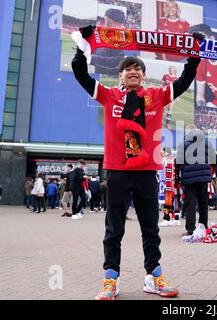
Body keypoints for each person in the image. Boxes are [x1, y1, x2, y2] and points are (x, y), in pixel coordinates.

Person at [72, 25, 204, 300]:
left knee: (150, 228)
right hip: (118, 171)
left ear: (144, 75)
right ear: (120, 75)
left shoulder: (156, 96)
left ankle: (153, 276)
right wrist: (82, 45)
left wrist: (194, 53)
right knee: (114, 228)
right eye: (127, 69)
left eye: (138, 69)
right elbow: (81, 74)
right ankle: (111, 278)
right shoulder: (109, 96)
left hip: (147, 171)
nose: (133, 72)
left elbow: (185, 80)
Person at [176, 124, 217, 236]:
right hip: (204, 178)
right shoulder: (207, 144)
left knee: (190, 204)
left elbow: (178, 163)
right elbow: (215, 159)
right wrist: (212, 172)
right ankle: (203, 227)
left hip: (189, 179)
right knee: (203, 203)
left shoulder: (183, 145)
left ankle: (191, 229)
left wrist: (178, 177)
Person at [91, 8, 126, 76]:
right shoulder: (109, 33)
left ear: (110, 20)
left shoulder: (122, 37)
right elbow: (101, 52)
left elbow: (118, 61)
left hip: (110, 79)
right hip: (100, 74)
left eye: (105, 18)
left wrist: (92, 58)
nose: (104, 20)